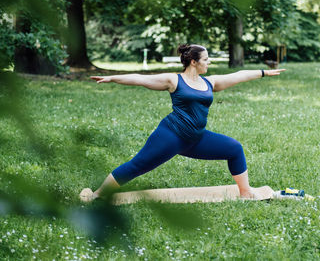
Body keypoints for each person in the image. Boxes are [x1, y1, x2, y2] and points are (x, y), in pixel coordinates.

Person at [84, 44, 285, 201]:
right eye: (206, 59)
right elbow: (140, 78)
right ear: (194, 62)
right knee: (138, 165)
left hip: (197, 138)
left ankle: (245, 194)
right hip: (171, 136)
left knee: (234, 149)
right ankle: (97, 195)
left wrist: (263, 72)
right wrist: (112, 78)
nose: (209, 63)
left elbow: (238, 75)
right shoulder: (174, 81)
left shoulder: (209, 82)